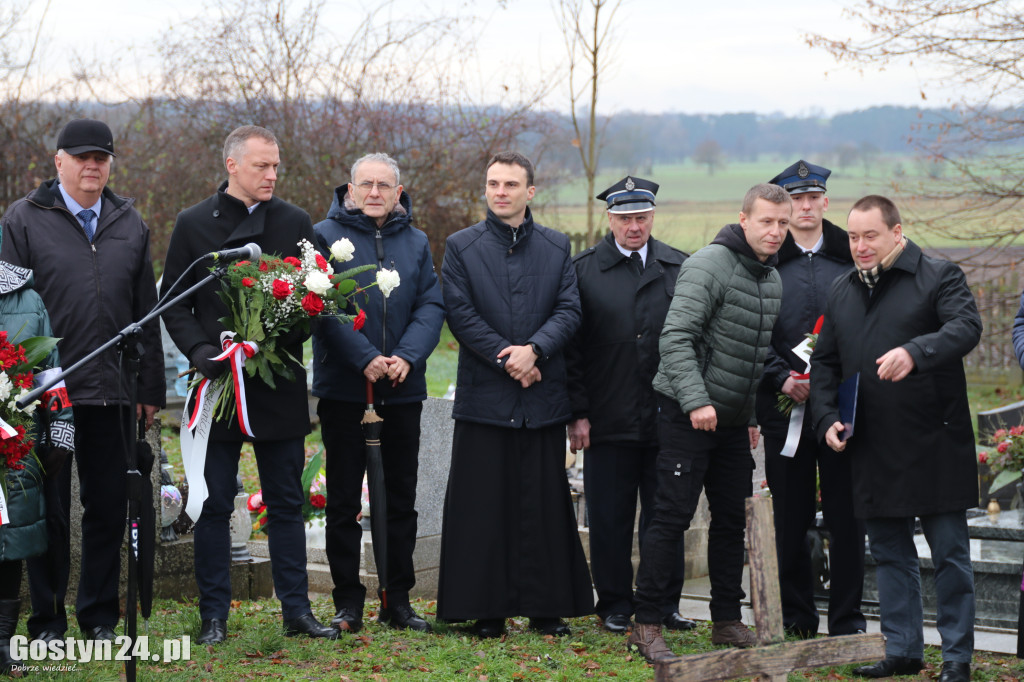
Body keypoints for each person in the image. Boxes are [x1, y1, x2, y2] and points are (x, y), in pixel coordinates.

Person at [161, 125, 336, 644]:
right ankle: (214, 615)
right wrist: (201, 353)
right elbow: (175, 303)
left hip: (276, 381)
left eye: (276, 166)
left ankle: (297, 612)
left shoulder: (294, 221)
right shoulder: (193, 223)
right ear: (232, 165)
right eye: (262, 165)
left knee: (284, 500)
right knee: (214, 501)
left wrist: (276, 330)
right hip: (217, 385)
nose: (272, 175)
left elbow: (316, 297)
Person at [0, 118, 165, 643]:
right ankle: (46, 621)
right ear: (59, 161)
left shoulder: (129, 221)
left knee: (108, 509)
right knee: (49, 511)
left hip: (112, 392)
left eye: (102, 158)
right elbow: (7, 308)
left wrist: (149, 391)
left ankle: (97, 618)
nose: (92, 166)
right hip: (46, 397)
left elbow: (147, 312)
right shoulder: (24, 220)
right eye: (82, 157)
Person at [810, 195, 980, 682]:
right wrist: (826, 420)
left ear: (897, 232)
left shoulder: (938, 275)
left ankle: (956, 658)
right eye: (854, 236)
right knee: (888, 552)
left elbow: (967, 327)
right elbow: (824, 364)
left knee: (949, 554)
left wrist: (915, 351)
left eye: (871, 235)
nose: (860, 246)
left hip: (935, 441)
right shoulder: (842, 290)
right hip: (873, 443)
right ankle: (903, 649)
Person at [628, 183, 790, 661]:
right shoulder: (707, 265)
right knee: (671, 517)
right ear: (744, 219)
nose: (776, 231)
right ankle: (647, 623)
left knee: (729, 525)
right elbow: (675, 339)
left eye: (783, 223)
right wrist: (697, 401)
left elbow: (751, 356)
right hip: (686, 413)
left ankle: (725, 620)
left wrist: (752, 415)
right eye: (767, 221)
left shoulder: (771, 279)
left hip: (734, 423)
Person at [437, 151, 593, 638]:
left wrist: (536, 351)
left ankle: (546, 609)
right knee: (483, 508)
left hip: (541, 400)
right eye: (492, 184)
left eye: (510, 184)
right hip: (486, 399)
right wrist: (510, 357)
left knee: (543, 506)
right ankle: (487, 612)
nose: (499, 192)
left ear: (530, 192)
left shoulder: (555, 245)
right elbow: (459, 314)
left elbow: (569, 310)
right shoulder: (461, 246)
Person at [312, 152, 444, 633]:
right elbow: (320, 305)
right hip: (347, 389)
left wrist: (406, 355)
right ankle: (348, 601)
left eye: (383, 185)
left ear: (398, 191)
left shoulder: (416, 241)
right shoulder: (324, 237)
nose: (374, 193)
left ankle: (398, 599)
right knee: (345, 500)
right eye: (365, 184)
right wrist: (363, 356)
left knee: (400, 498)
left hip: (402, 389)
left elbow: (431, 303)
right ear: (349, 190)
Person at [566, 176, 693, 634]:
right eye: (624, 218)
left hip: (668, 418)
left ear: (653, 217)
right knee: (610, 517)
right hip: (607, 416)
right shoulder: (582, 271)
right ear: (610, 219)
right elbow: (572, 351)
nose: (633, 226)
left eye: (641, 217)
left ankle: (663, 603)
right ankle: (615, 603)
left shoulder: (679, 267)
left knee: (667, 515)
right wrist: (577, 413)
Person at [755, 160, 865, 638]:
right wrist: (780, 378)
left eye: (812, 197)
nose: (804, 207)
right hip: (785, 407)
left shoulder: (853, 254)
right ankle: (796, 616)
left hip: (843, 410)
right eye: (794, 199)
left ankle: (847, 620)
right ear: (783, 205)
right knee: (791, 516)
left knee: (847, 516)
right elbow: (746, 330)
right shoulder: (763, 261)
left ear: (825, 201)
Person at [0, 250, 74, 673]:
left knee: (12, 540)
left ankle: (2, 643)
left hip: (14, 440)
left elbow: (50, 372)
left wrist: (61, 430)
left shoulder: (25, 296)